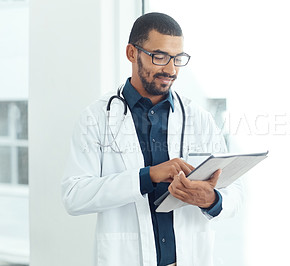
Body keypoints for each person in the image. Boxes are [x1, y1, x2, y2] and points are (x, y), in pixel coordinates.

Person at [62, 12, 243, 266]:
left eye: (178, 59)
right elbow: (74, 195)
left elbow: (234, 193)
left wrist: (212, 200)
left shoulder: (198, 118)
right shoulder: (97, 118)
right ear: (132, 53)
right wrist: (148, 176)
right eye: (160, 57)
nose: (170, 69)